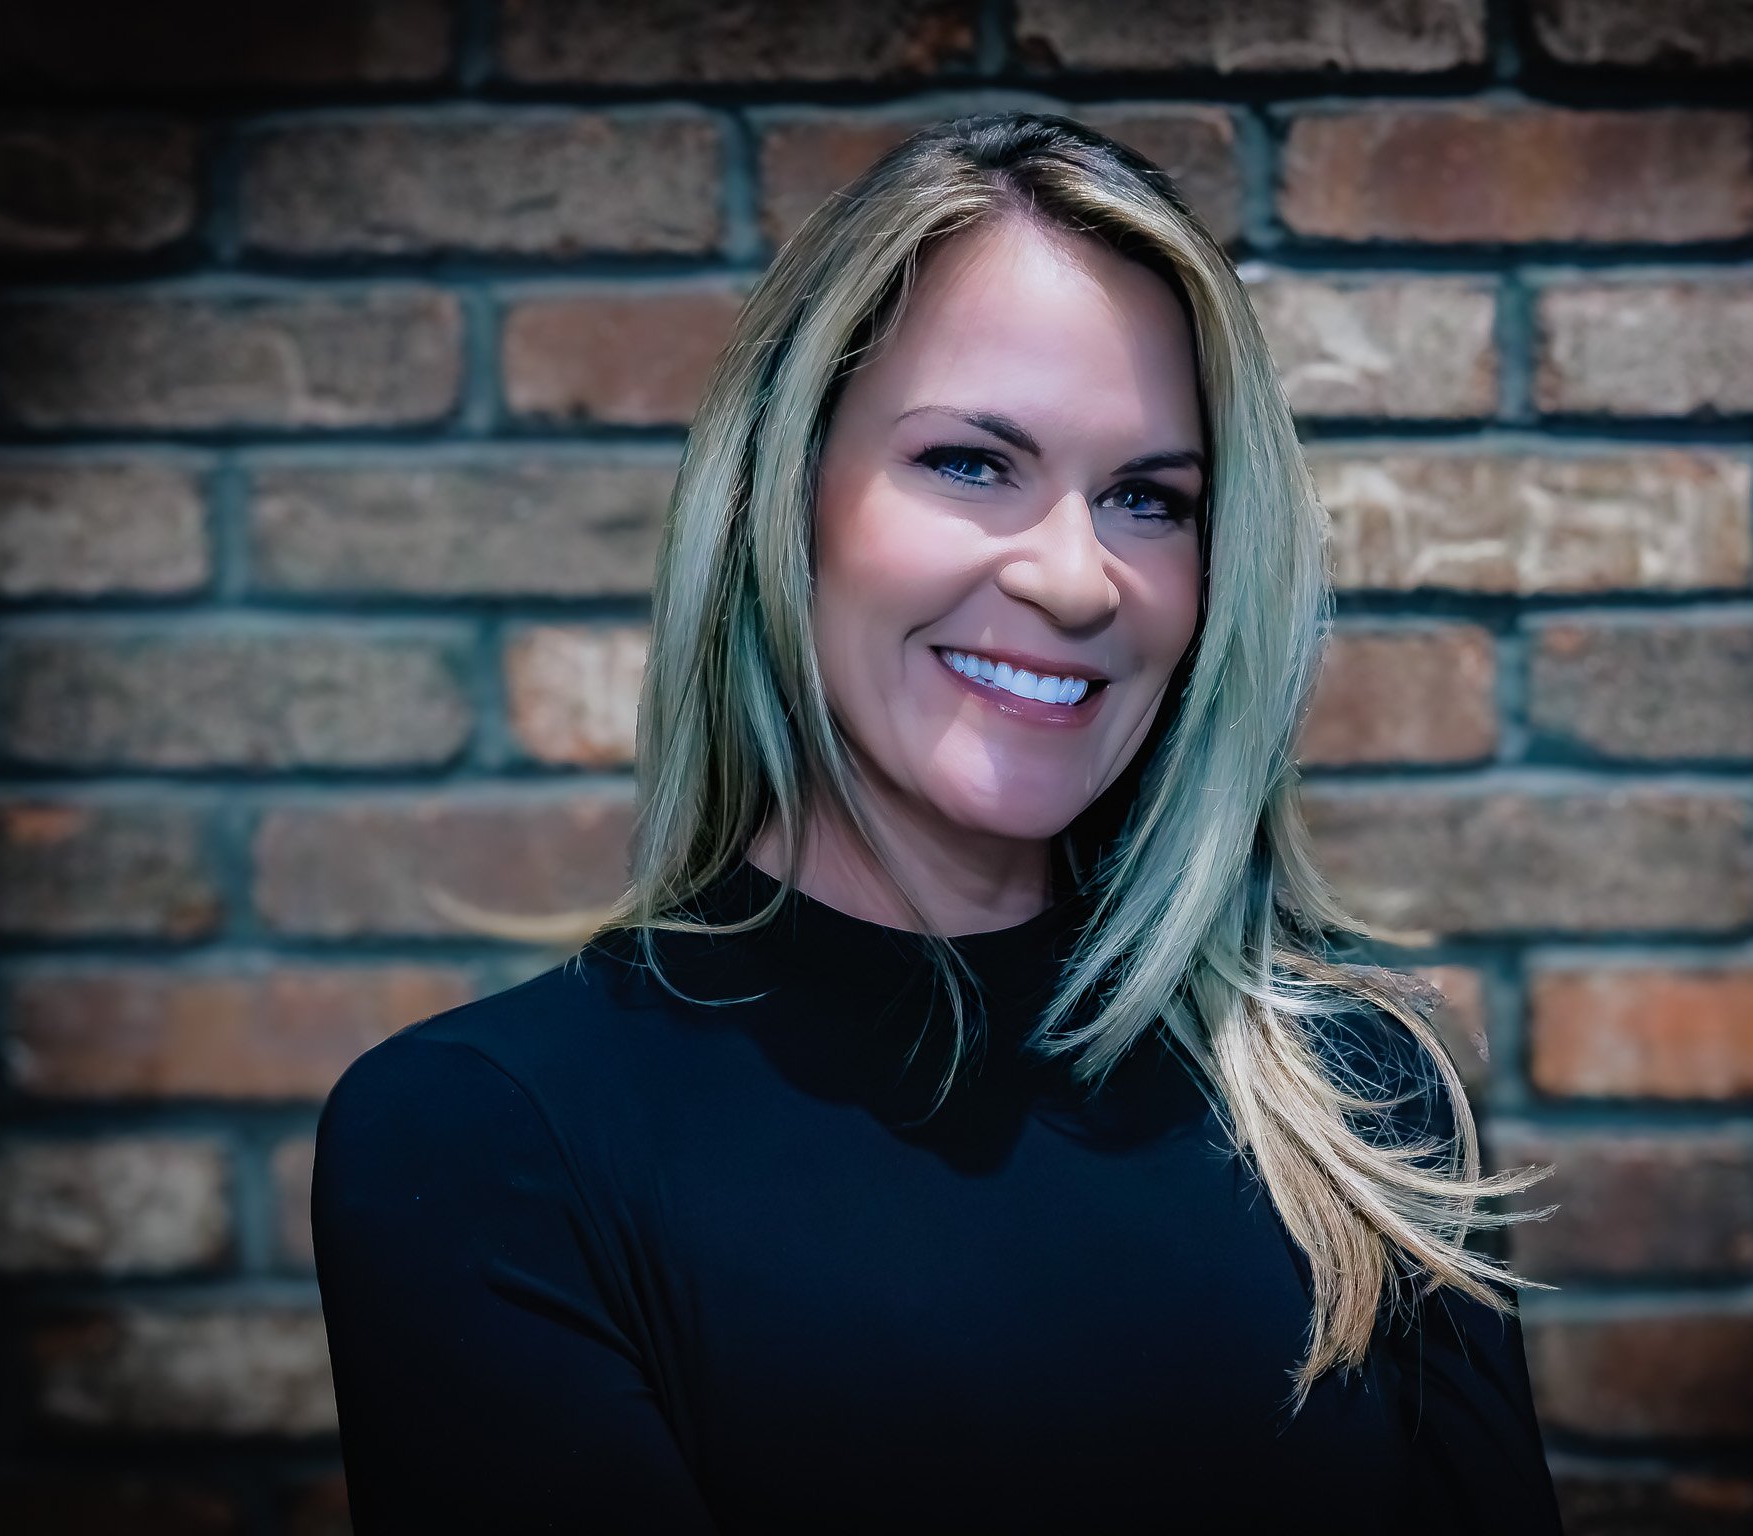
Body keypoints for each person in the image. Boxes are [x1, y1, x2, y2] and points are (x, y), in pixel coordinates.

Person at [311, 111, 1563, 1534]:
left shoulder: (1362, 1103)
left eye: (1151, 499)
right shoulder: (484, 1141)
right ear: (787, 500)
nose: (1079, 579)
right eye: (972, 462)